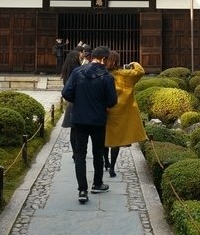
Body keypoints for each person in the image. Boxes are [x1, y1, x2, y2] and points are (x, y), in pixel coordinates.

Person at [61, 45, 117, 204]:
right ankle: (97, 184)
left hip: (79, 119)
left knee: (80, 154)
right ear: (104, 59)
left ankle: (82, 190)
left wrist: (79, 101)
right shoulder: (107, 77)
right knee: (98, 152)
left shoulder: (77, 72)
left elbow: (66, 93)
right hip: (98, 119)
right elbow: (112, 101)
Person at [102, 51, 148, 178]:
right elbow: (140, 71)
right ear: (117, 61)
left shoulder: (103, 74)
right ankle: (112, 168)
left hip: (105, 110)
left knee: (104, 138)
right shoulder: (124, 75)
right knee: (115, 141)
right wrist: (133, 63)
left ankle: (106, 161)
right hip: (120, 112)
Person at [59, 47, 83, 128]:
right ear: (75, 57)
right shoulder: (76, 69)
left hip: (69, 94)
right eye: (79, 55)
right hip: (75, 95)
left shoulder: (67, 67)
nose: (81, 56)